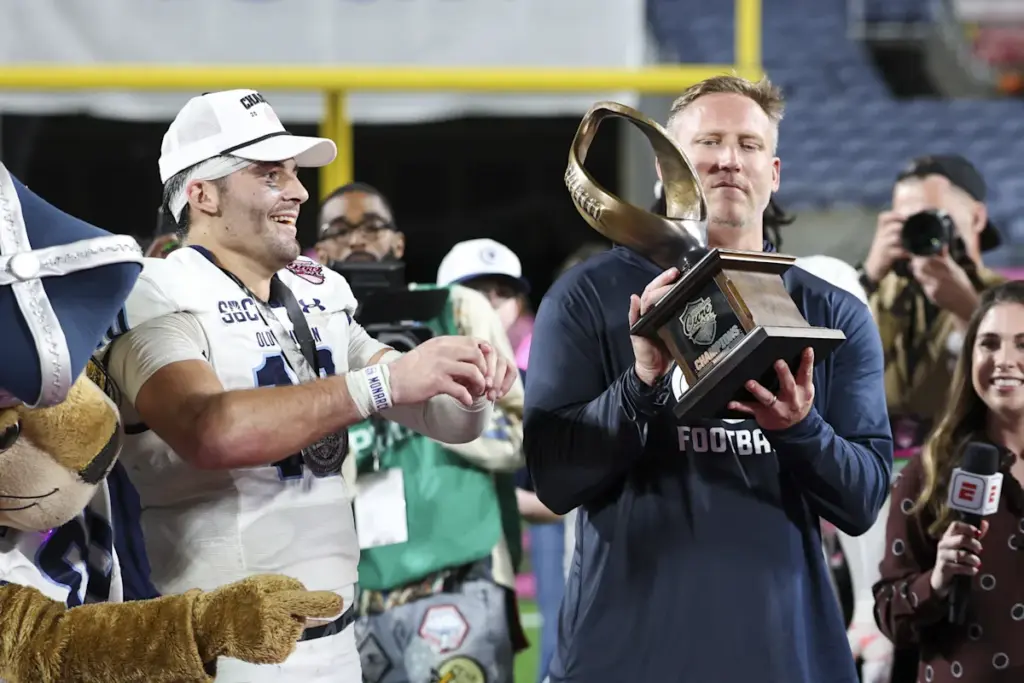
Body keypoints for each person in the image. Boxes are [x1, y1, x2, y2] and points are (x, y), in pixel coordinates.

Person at [97, 90, 518, 683]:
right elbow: (208, 431)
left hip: (339, 639)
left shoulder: (317, 290)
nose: (297, 192)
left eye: (294, 173)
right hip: (228, 653)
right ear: (203, 194)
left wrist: (467, 385)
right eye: (270, 174)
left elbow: (434, 414)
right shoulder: (157, 290)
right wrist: (384, 381)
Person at [525, 75, 893, 682]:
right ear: (664, 167)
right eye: (709, 142)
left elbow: (862, 500)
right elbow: (554, 479)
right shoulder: (587, 298)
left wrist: (800, 429)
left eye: (749, 145)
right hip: (626, 658)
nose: (728, 160)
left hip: (781, 656)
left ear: (774, 172)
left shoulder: (832, 314)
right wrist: (641, 384)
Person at [315, 185, 528, 683]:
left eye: (372, 226)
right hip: (356, 589)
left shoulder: (455, 308)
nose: (357, 240)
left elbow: (517, 430)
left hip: (459, 573)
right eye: (340, 231)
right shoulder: (312, 331)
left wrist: (431, 411)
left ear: (398, 242)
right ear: (320, 251)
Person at [874, 280, 1024, 682]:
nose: (1004, 360)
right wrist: (937, 581)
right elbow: (889, 613)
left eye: (1022, 344)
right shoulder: (928, 473)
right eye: (989, 344)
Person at [437, 237, 564, 682]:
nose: (491, 301)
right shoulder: (408, 374)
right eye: (475, 289)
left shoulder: (539, 385)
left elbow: (556, 498)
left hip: (494, 568)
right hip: (419, 571)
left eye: (504, 291)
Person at [859, 156, 1005, 459]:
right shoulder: (874, 292)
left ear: (977, 218)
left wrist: (969, 310)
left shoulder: (1007, 299)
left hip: (964, 457)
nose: (921, 231)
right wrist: (866, 278)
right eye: (907, 222)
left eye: (933, 219)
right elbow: (823, 367)